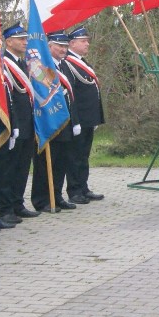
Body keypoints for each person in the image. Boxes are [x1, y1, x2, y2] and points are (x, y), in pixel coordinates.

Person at [0, 22, 41, 220]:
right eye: (21, 39)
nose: (25, 42)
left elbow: (46, 81)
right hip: (14, 122)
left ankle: (17, 203)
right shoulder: (3, 63)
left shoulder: (26, 63)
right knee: (9, 168)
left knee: (23, 166)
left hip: (29, 122)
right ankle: (5, 208)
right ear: (8, 41)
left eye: (26, 38)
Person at [30, 31, 78, 212]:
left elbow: (72, 97)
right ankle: (42, 199)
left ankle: (56, 195)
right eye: (60, 46)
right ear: (49, 46)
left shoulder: (64, 66)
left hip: (63, 121)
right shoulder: (41, 68)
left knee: (61, 163)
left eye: (66, 46)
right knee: (44, 164)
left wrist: (76, 121)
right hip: (48, 121)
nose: (63, 49)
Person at [64, 26, 105, 203]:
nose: (87, 43)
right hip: (78, 118)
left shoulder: (82, 62)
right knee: (75, 156)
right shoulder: (68, 63)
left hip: (88, 118)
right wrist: (76, 120)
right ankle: (74, 191)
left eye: (87, 40)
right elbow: (73, 94)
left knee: (84, 155)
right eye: (83, 41)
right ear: (72, 43)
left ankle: (83, 186)